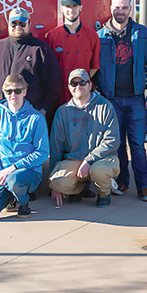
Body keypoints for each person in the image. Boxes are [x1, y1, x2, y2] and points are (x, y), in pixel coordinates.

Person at [96, 0, 147, 202]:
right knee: (118, 144)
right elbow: (95, 68)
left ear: (130, 9)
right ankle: (123, 182)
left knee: (138, 144)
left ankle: (144, 186)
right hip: (111, 99)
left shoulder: (141, 33)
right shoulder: (101, 35)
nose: (119, 11)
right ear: (110, 8)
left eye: (124, 7)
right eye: (116, 7)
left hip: (136, 99)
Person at [0, 74, 49, 220]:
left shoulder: (36, 118)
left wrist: (13, 168)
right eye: (9, 91)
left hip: (27, 172)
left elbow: (42, 153)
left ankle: (23, 202)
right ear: (4, 92)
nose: (13, 95)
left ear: (25, 92)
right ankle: (11, 196)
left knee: (14, 180)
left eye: (17, 91)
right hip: (2, 171)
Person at [49, 69, 120, 208]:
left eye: (82, 83)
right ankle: (78, 188)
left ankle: (104, 192)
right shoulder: (62, 112)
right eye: (74, 84)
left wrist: (89, 160)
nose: (78, 87)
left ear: (90, 85)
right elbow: (56, 146)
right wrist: (54, 184)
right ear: (69, 87)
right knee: (57, 182)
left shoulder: (105, 106)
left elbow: (112, 140)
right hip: (75, 159)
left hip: (101, 159)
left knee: (99, 171)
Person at [0, 7, 62, 116]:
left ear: (29, 24)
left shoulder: (40, 50)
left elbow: (53, 84)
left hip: (28, 118)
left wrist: (43, 110)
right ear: (8, 25)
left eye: (22, 23)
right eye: (14, 24)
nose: (18, 27)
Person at [45, 0, 101, 104]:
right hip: (59, 94)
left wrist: (80, 83)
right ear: (61, 8)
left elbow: (94, 66)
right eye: (67, 6)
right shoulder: (52, 36)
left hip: (82, 95)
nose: (71, 10)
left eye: (75, 6)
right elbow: (47, 68)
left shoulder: (92, 36)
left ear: (81, 7)